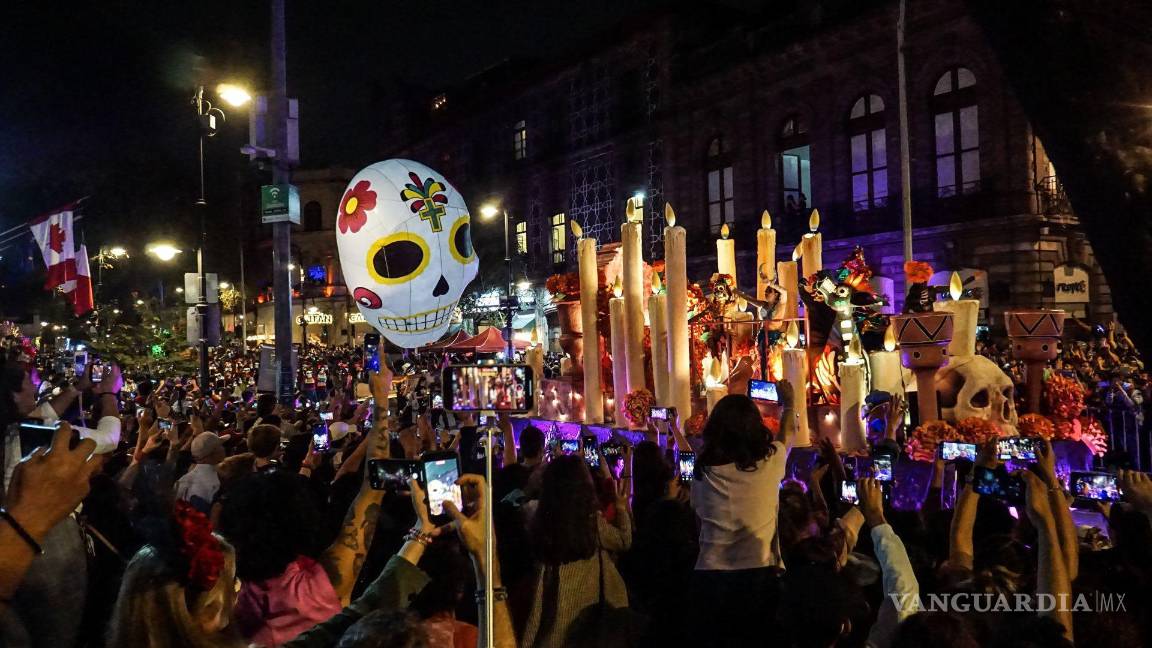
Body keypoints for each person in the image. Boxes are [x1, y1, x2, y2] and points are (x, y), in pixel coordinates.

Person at [688, 381, 797, 647]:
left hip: (711, 575)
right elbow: (787, 435)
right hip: (758, 575)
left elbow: (698, 521)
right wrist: (789, 404)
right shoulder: (770, 463)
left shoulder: (703, 472)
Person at [519, 455, 632, 648]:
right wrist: (621, 508)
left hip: (557, 632)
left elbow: (537, 611)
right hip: (591, 626)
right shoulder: (592, 524)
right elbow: (624, 540)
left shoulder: (542, 523)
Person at [175, 431, 225, 513]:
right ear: (212, 454)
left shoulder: (184, 478)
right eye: (221, 446)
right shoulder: (218, 480)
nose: (224, 449)